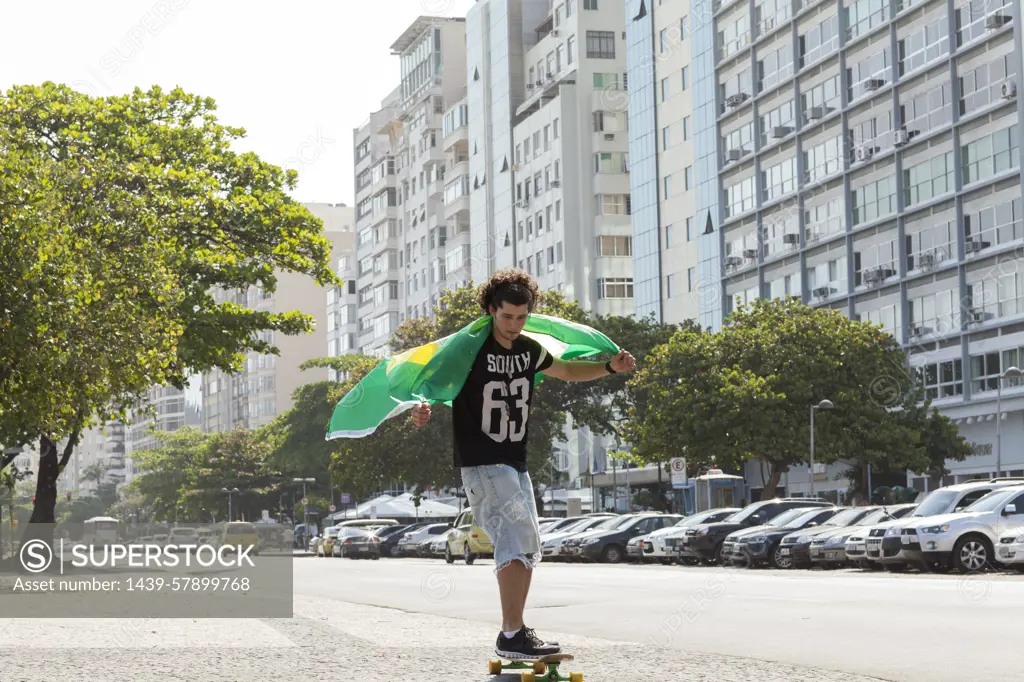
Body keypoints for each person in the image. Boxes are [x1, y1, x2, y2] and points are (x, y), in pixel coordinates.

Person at [411, 268, 635, 659]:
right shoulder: (469, 350)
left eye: (521, 317)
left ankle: (515, 631)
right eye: (506, 317)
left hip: (514, 462)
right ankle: (511, 635)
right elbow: (431, 383)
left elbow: (565, 370)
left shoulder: (530, 350)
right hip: (482, 461)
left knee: (528, 545)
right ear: (490, 310)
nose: (513, 325)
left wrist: (609, 368)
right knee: (514, 540)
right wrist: (422, 408)